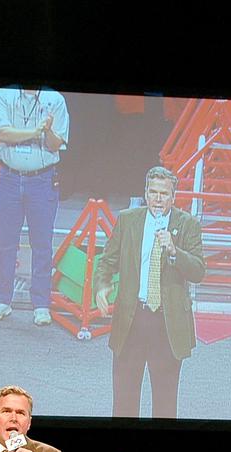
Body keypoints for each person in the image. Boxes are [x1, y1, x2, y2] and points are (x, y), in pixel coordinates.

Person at [95, 166, 206, 419]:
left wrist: (175, 251)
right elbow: (107, 260)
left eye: (164, 194)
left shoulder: (187, 224)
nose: (158, 199)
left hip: (167, 324)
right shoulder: (128, 219)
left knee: (165, 405)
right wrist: (102, 284)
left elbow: (198, 271)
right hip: (132, 319)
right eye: (153, 192)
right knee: (124, 401)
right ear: (145, 193)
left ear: (173, 196)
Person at [0, 85, 70, 327]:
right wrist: (35, 131)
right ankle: (1, 300)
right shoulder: (4, 95)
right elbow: (4, 133)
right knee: (5, 241)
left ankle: (41, 304)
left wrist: (48, 130)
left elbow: (55, 144)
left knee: (41, 244)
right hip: (9, 178)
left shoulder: (55, 99)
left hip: (43, 180)